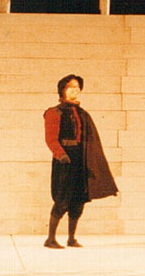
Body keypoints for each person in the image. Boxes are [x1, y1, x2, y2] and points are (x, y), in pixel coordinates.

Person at [43, 74, 118, 248]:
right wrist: (61, 155)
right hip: (64, 160)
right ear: (62, 90)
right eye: (71, 87)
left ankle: (71, 238)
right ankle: (50, 238)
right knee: (62, 199)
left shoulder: (83, 114)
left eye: (77, 87)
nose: (74, 90)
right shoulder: (54, 112)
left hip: (81, 160)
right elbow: (51, 139)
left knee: (78, 200)